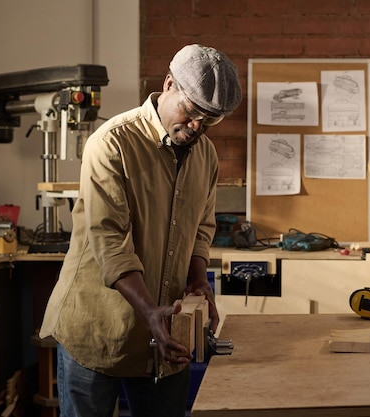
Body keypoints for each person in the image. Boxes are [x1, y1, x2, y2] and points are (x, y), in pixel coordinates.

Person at [39, 44, 242, 417]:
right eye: (191, 111)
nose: (197, 126)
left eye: (209, 120)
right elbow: (110, 241)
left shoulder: (206, 155)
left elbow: (201, 228)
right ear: (168, 85)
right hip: (98, 327)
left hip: (167, 331)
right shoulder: (112, 143)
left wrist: (199, 282)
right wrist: (150, 313)